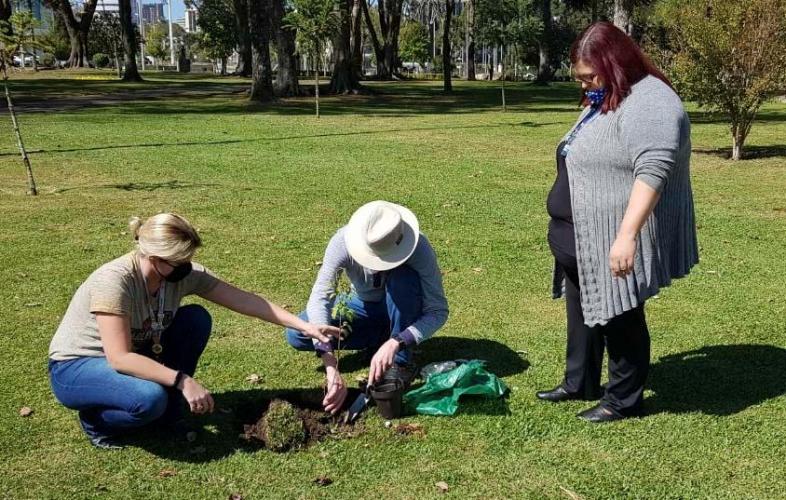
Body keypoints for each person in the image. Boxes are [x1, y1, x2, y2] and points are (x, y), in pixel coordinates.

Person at [48, 213, 340, 449]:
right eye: (179, 262)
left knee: (195, 318)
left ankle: (171, 411)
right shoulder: (114, 282)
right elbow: (120, 358)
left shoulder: (178, 274)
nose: (186, 268)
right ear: (154, 258)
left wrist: (304, 326)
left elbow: (244, 299)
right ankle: (97, 421)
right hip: (78, 366)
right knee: (149, 400)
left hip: (137, 351)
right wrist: (183, 380)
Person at [536, 22, 698, 422]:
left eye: (591, 75)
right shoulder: (610, 95)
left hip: (611, 233)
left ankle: (623, 399)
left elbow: (653, 169)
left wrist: (626, 236)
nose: (586, 84)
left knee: (620, 315)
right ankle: (580, 381)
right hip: (579, 235)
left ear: (616, 62)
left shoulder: (651, 101)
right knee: (583, 311)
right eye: (582, 77)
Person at [285, 200, 449, 414]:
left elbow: (438, 311)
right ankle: (380, 338)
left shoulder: (419, 248)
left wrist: (398, 342)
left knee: (403, 279)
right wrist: (329, 362)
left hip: (403, 304)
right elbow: (320, 296)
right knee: (296, 333)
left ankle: (400, 362)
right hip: (362, 304)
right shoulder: (342, 241)